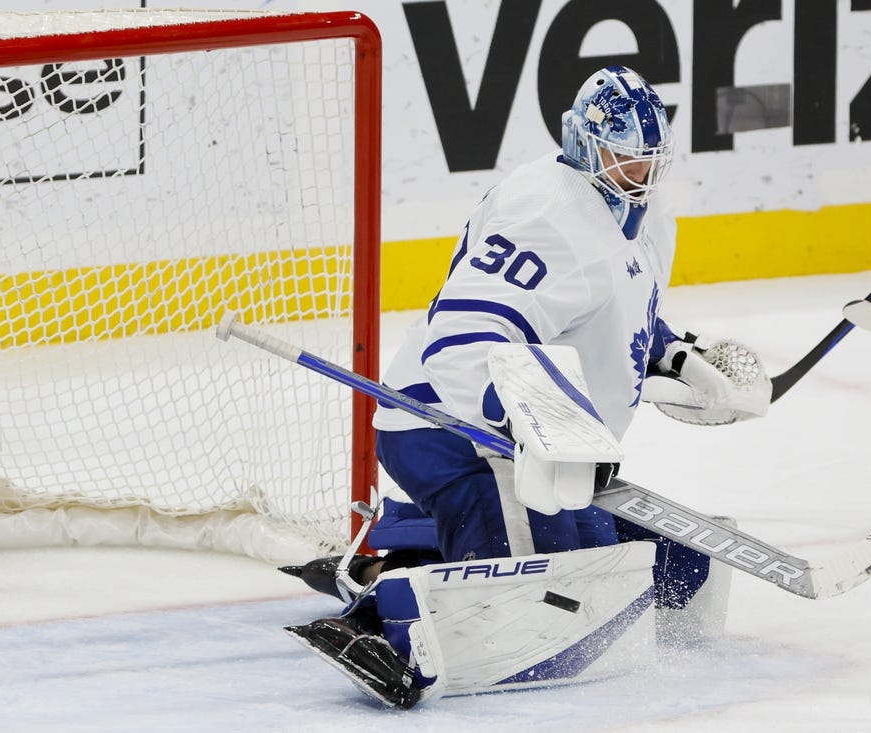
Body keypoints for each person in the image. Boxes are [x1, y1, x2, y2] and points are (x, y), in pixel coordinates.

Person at [284, 65, 771, 708]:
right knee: (566, 599)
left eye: (650, 160)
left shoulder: (646, 217)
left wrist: (676, 357)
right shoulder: (544, 216)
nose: (640, 175)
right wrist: (529, 425)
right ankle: (381, 600)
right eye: (623, 159)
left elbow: (620, 308)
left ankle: (401, 536)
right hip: (452, 429)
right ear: (582, 143)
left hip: (545, 442)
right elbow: (464, 338)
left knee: (664, 578)